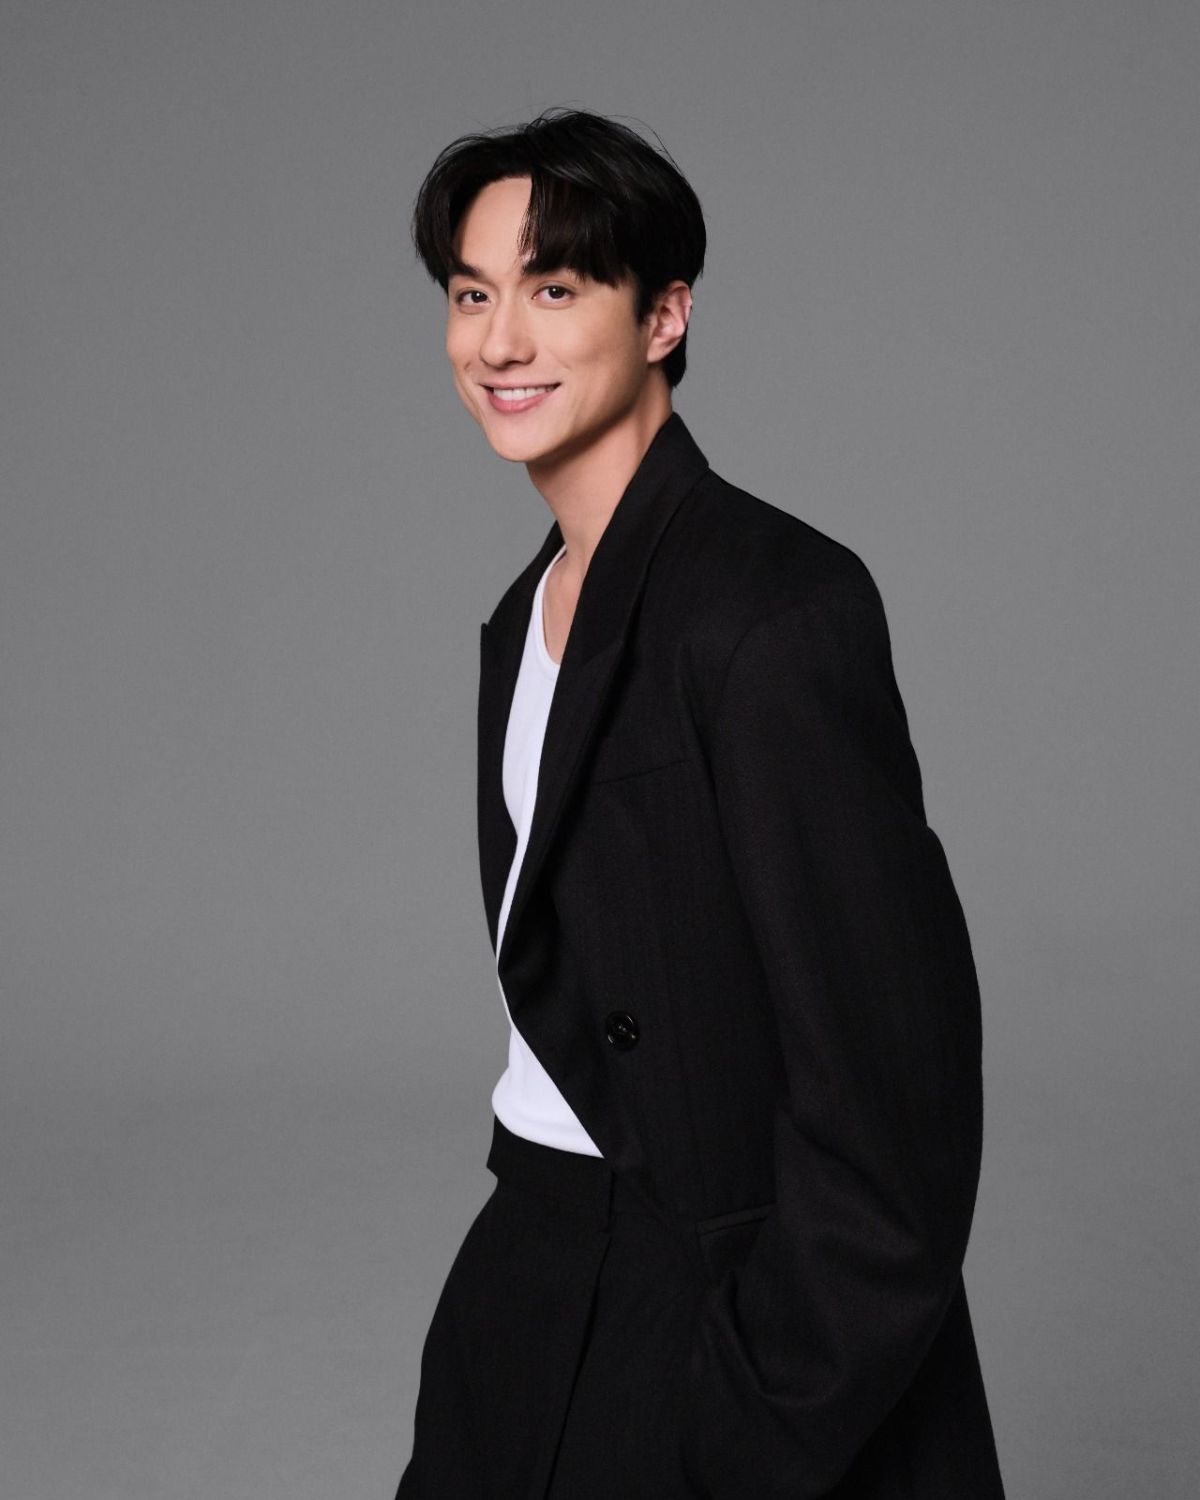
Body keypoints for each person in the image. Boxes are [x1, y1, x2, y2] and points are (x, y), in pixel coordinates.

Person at [396, 107, 1005, 1500]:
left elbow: (892, 1103)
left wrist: (755, 1416)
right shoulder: (525, 615)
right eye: (472, 295)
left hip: (712, 1297)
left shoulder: (774, 611)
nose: (500, 342)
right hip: (535, 1258)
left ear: (665, 315)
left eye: (556, 290)